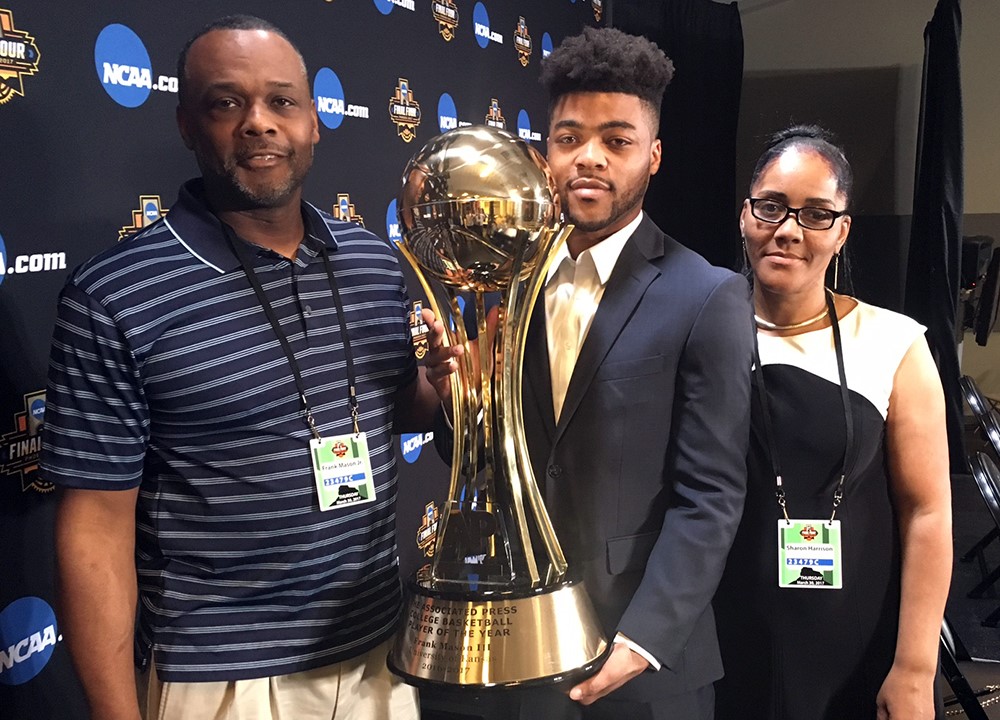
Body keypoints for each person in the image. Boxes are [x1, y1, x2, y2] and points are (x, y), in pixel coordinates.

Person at [40, 15, 458, 720]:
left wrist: (445, 390)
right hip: (226, 682)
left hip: (379, 654)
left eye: (282, 101)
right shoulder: (115, 295)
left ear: (315, 121)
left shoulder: (373, 262)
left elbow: (401, 406)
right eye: (226, 103)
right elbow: (95, 533)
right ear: (186, 125)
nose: (259, 123)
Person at [492, 27, 753, 720]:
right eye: (569, 137)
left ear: (654, 155)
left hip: (645, 670)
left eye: (616, 140)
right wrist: (459, 398)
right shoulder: (511, 287)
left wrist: (642, 642)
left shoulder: (708, 295)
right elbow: (498, 457)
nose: (589, 159)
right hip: (524, 651)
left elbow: (712, 495)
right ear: (545, 149)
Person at [713, 125, 952, 720]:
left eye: (817, 214)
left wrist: (916, 668)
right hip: (717, 635)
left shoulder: (894, 341)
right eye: (771, 207)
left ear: (842, 232)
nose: (788, 230)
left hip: (853, 638)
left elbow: (928, 511)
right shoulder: (700, 329)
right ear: (746, 216)